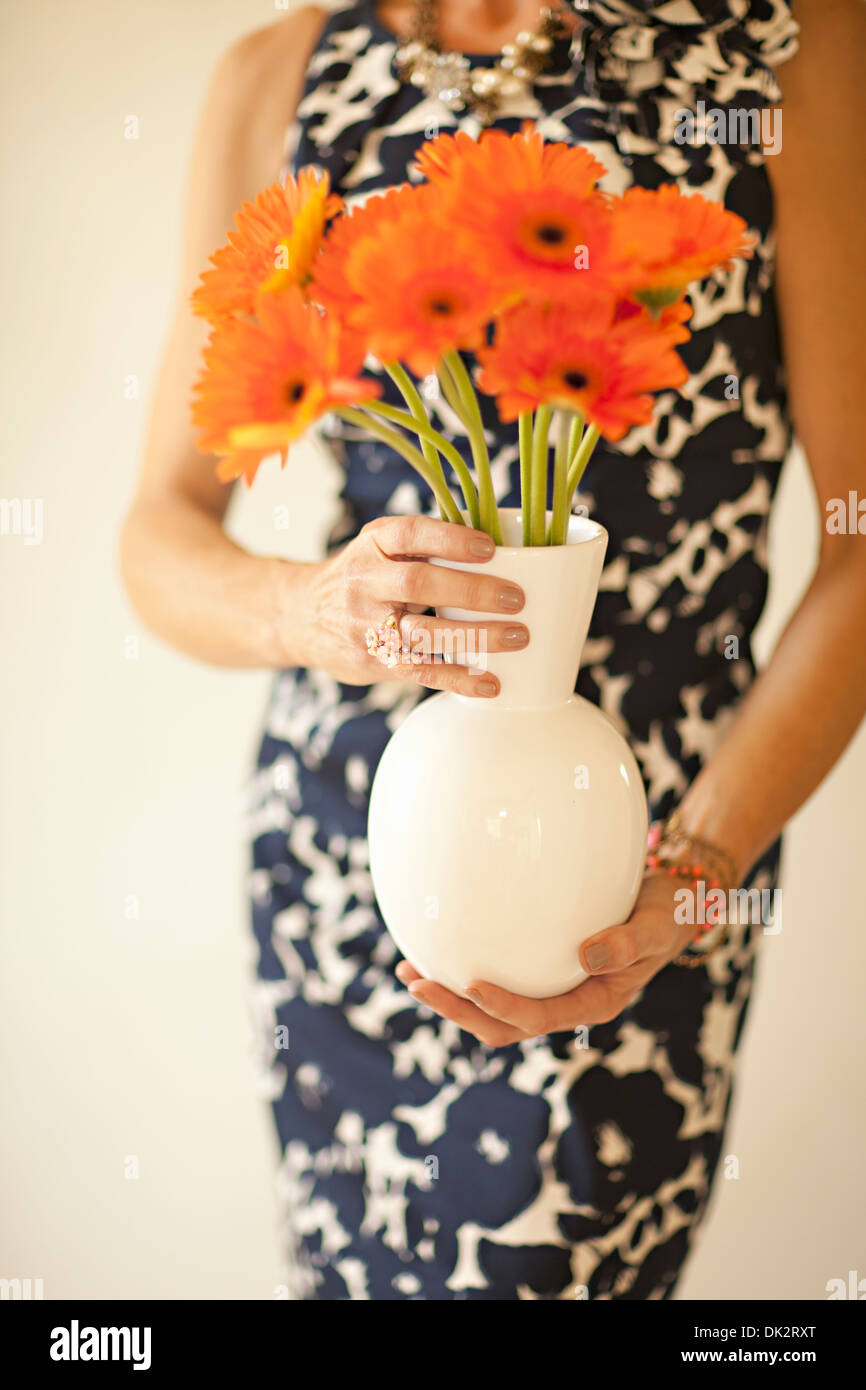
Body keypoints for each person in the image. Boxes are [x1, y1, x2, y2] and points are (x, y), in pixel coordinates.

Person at [121, 0, 866, 1299]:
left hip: (645, 874)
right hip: (345, 857)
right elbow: (157, 535)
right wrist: (307, 611)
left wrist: (696, 874)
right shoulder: (276, 76)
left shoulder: (787, 47)